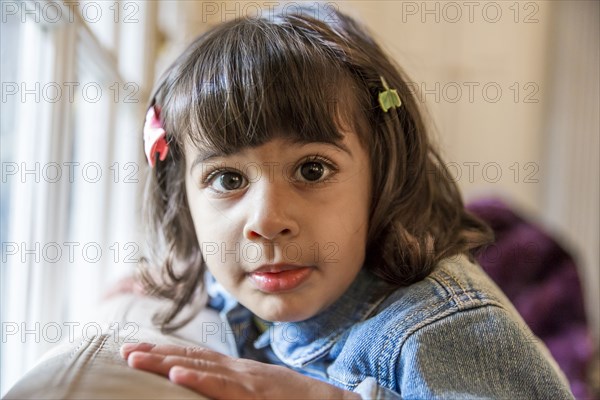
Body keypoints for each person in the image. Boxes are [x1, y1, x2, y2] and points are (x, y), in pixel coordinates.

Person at [120, 5, 575, 399]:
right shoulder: (251, 270)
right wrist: (175, 273)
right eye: (227, 178)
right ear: (183, 199)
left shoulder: (436, 328)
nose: (266, 220)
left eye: (312, 170)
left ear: (382, 174)